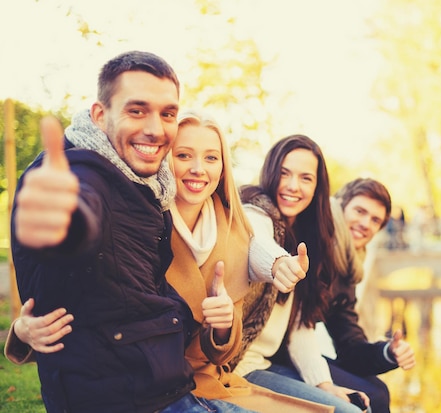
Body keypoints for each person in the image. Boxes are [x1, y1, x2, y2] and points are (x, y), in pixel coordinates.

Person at [6, 110, 332, 413]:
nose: (198, 169)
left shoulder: (236, 230)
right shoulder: (139, 224)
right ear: (164, 159)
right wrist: (23, 330)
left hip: (211, 381)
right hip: (150, 387)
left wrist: (223, 326)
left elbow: (259, 248)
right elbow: (87, 307)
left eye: (211, 158)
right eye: (184, 155)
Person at [8, 50, 231, 413]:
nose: (156, 129)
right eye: (137, 110)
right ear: (100, 115)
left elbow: (131, 284)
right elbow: (82, 218)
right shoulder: (84, 175)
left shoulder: (145, 186)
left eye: (168, 114)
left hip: (161, 386)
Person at [231, 135, 370, 413]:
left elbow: (301, 328)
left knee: (361, 403)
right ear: (270, 172)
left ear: (318, 186)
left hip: (265, 364)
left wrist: (325, 386)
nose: (293, 186)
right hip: (238, 368)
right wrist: (279, 264)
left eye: (306, 178)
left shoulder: (310, 237)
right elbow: (259, 243)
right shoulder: (253, 211)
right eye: (284, 173)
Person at [325, 178, 416, 413]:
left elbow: (349, 345)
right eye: (359, 211)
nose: (365, 223)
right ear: (341, 206)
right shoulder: (318, 243)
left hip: (301, 352)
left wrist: (389, 352)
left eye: (375, 220)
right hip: (277, 356)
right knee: (373, 396)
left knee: (376, 391)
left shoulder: (349, 266)